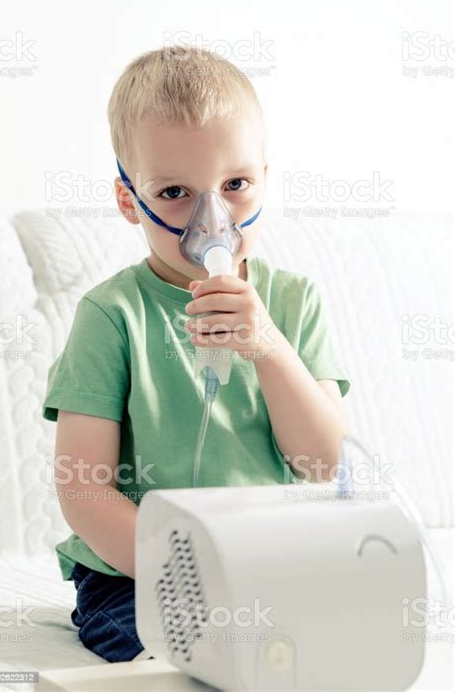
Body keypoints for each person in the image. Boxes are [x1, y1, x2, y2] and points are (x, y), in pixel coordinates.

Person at [42, 45, 350, 663]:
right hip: (136, 572)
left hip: (268, 561)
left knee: (337, 639)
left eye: (234, 185)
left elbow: (325, 464)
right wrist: (184, 572)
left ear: (264, 177)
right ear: (131, 200)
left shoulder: (293, 303)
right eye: (176, 192)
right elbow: (84, 488)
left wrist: (267, 347)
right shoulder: (112, 316)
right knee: (184, 649)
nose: (213, 218)